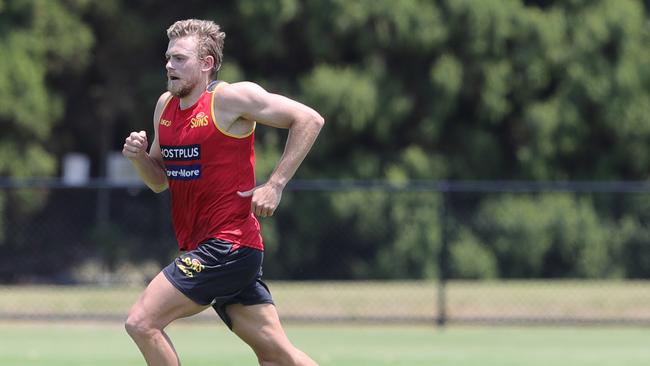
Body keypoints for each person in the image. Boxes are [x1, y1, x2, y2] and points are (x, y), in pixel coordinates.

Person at [121, 19, 324, 366]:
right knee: (277, 357)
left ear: (206, 63)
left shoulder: (230, 98)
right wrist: (139, 157)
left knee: (141, 322)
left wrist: (275, 184)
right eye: (168, 57)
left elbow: (309, 119)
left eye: (180, 59)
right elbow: (159, 180)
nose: (169, 65)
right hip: (216, 249)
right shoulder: (164, 107)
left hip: (227, 245)